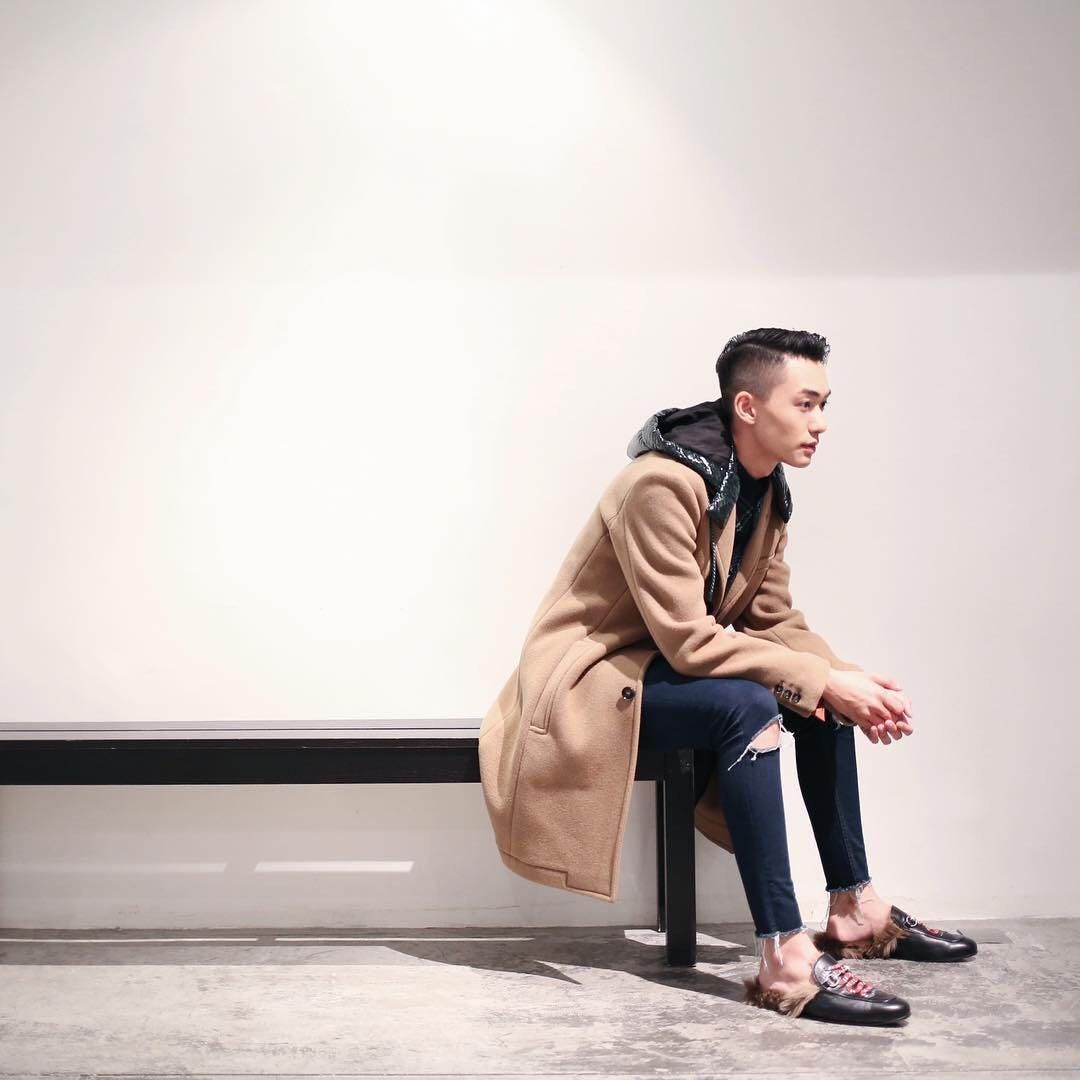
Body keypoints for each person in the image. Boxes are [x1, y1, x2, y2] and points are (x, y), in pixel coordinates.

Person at [478, 327, 976, 1028]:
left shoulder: (762, 490)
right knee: (750, 701)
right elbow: (687, 641)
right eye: (805, 404)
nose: (821, 422)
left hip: (657, 671)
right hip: (592, 679)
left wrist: (849, 682)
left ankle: (855, 908)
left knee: (819, 694)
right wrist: (821, 678)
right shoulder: (662, 484)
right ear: (748, 406)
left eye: (824, 404)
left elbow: (774, 622)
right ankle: (784, 958)